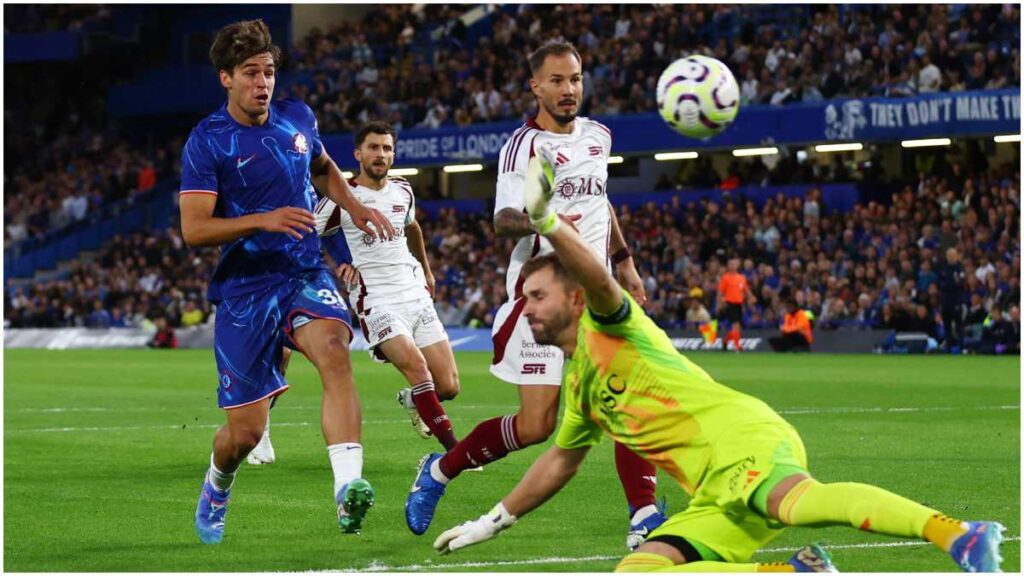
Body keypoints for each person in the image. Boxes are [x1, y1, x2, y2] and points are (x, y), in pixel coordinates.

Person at [430, 147, 1006, 572]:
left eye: (537, 296)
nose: (526, 308)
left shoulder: (615, 324)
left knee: (795, 503)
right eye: (524, 298)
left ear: (574, 298)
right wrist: (491, 522)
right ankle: (790, 572)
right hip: (710, 488)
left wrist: (549, 221)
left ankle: (955, 533)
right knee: (639, 569)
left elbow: (602, 279)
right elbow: (558, 463)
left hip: (744, 441)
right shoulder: (579, 384)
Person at [405, 41, 663, 550]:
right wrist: (545, 220)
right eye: (557, 81)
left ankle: (645, 514)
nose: (569, 90)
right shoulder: (523, 146)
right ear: (536, 86)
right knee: (535, 425)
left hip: (597, 293)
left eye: (576, 79)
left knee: (626, 397)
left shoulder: (598, 136)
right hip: (540, 294)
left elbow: (601, 200)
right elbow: (502, 220)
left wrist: (626, 260)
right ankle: (439, 469)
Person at [179, 20, 394, 544]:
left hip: (302, 271)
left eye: (269, 72)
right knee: (245, 435)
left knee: (335, 350)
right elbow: (194, 228)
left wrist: (354, 205)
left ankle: (347, 487)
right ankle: (218, 482)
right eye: (250, 73)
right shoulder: (208, 140)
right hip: (245, 290)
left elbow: (321, 168)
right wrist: (264, 219)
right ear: (226, 78)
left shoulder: (297, 117)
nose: (263, 83)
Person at [314, 120, 463, 449]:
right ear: (358, 154)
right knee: (419, 369)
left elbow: (413, 229)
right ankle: (456, 451)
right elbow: (307, 234)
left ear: (393, 154)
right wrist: (336, 263)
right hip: (376, 299)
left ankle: (414, 400)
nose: (380, 154)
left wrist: (426, 270)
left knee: (448, 385)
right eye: (373, 147)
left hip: (413, 292)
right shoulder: (343, 195)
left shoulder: (403, 190)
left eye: (386, 148)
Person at [716, 257, 752, 352]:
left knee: (737, 326)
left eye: (734, 264)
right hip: (729, 303)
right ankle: (738, 346)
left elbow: (745, 290)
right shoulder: (725, 277)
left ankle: (725, 341)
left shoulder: (742, 278)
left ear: (737, 265)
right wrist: (719, 303)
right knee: (736, 325)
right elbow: (720, 292)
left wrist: (751, 297)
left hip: (738, 304)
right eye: (730, 264)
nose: (732, 266)